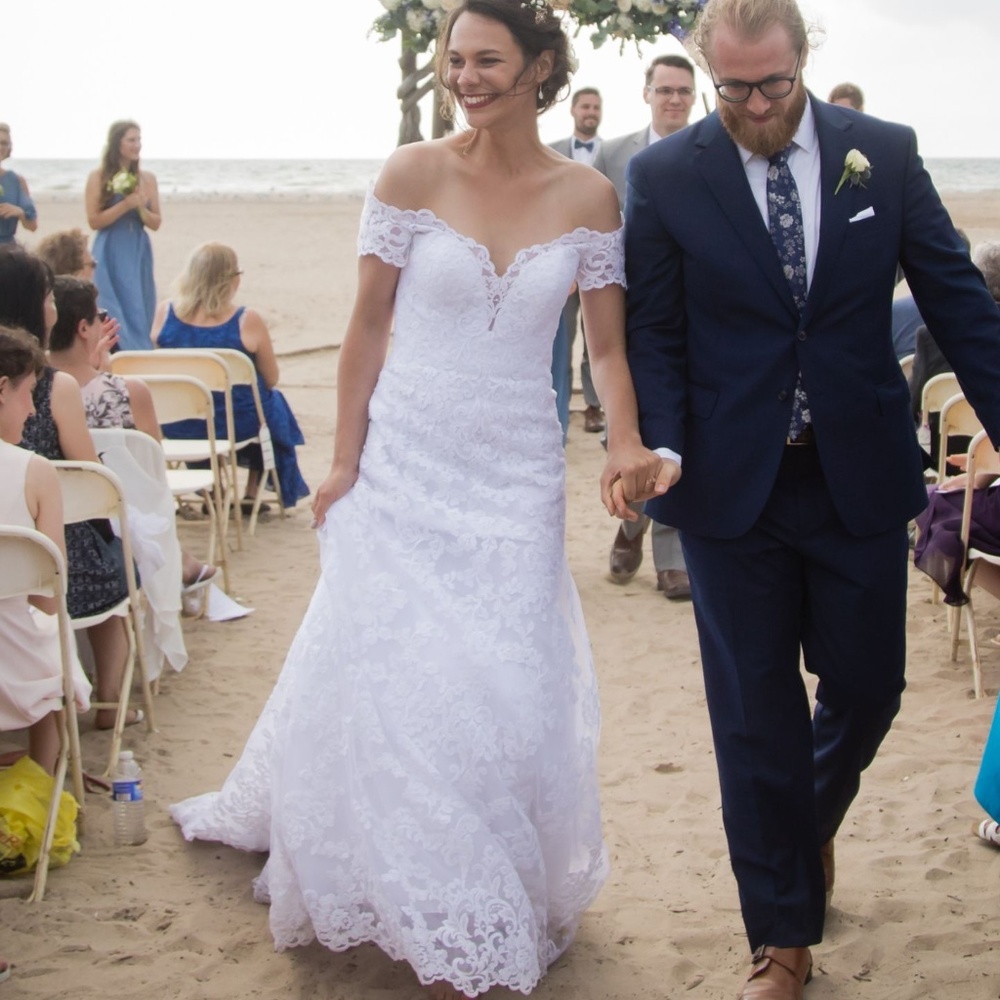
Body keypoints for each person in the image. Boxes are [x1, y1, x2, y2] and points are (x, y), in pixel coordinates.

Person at [171, 3, 664, 997]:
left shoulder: (590, 198)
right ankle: (425, 882)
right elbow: (363, 328)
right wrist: (345, 461)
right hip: (405, 458)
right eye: (454, 62)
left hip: (518, 474)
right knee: (401, 670)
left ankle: (488, 867)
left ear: (538, 69)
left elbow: (605, 349)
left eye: (487, 60)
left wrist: (622, 439)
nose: (466, 77)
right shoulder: (408, 176)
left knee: (502, 674)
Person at [622, 0, 1000, 996]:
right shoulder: (664, 177)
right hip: (724, 488)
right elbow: (653, 331)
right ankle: (781, 938)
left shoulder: (881, 151)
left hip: (859, 475)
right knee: (754, 719)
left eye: (774, 85)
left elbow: (956, 298)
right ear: (706, 75)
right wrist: (657, 438)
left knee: (870, 689)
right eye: (733, 88)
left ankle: (801, 826)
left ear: (803, 61)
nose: (755, 107)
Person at [48, 275, 220, 676]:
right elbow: (151, 474)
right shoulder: (128, 392)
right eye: (98, 317)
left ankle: (189, 567)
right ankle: (186, 569)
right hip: (114, 527)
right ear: (84, 328)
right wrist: (105, 375)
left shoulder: (26, 394)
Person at [0, 246, 139, 733]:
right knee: (120, 563)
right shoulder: (53, 386)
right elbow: (88, 476)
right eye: (48, 296)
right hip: (49, 555)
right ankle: (106, 697)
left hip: (13, 548)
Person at [593, 53, 698, 601]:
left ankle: (670, 556)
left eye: (684, 90)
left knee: (676, 423)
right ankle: (632, 521)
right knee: (629, 424)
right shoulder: (612, 155)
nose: (674, 99)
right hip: (622, 310)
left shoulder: (711, 151)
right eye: (665, 90)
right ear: (647, 93)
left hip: (688, 313)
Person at [150, 242, 310, 511]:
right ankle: (251, 491)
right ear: (232, 280)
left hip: (180, 422)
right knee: (271, 405)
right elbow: (271, 378)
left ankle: (211, 489)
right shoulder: (246, 320)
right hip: (237, 423)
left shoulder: (165, 314)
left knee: (197, 407)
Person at [0, 325, 91, 776]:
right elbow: (48, 597)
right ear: (2, 389)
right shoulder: (34, 472)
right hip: (18, 672)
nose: (33, 409)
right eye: (29, 394)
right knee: (53, 638)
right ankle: (41, 779)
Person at [549, 87, 605, 434]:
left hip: (600, 264)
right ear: (573, 110)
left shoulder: (614, 153)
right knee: (561, 338)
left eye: (596, 107)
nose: (591, 112)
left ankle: (594, 406)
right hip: (561, 264)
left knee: (598, 340)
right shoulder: (550, 152)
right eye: (585, 106)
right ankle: (559, 408)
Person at [85, 120, 160, 351]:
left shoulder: (147, 179)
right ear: (117, 143)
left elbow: (156, 222)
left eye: (139, 140)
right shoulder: (98, 177)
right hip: (109, 247)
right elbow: (94, 220)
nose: (137, 145)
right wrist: (126, 204)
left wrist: (139, 208)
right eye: (131, 140)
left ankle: (140, 350)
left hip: (137, 247)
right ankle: (119, 350)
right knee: (110, 303)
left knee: (139, 302)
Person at [0, 124, 38, 245]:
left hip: (7, 252)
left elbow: (32, 226)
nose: (1, 147)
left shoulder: (17, 181)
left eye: (4, 143)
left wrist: (20, 212)